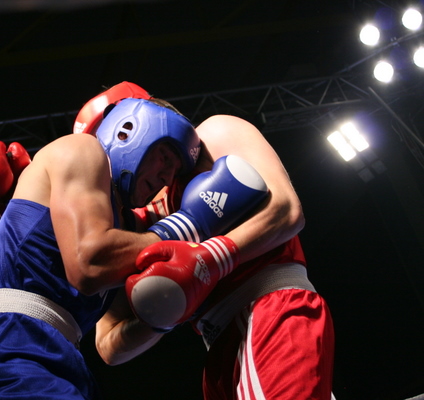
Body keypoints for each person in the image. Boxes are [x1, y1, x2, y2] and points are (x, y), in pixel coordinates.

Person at [0, 89, 210, 399]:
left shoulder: (126, 232)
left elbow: (109, 345)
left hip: (67, 360)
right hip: (5, 346)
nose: (167, 176)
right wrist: (191, 224)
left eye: (175, 170)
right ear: (130, 131)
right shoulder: (83, 149)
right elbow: (89, 263)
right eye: (165, 157)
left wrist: (165, 316)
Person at [94, 93, 335, 398]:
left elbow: (287, 210)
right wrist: (162, 316)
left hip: (269, 311)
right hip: (218, 348)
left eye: (169, 158)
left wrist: (210, 259)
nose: (166, 174)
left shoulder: (214, 134)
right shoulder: (132, 230)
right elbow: (108, 346)